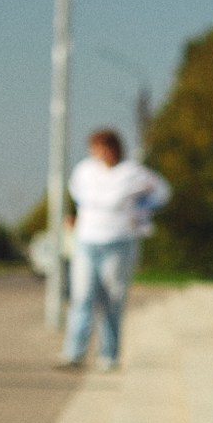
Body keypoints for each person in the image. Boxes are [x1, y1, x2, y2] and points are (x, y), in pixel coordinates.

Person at [57, 128, 168, 372]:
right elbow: (77, 197)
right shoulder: (84, 171)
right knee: (82, 297)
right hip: (87, 240)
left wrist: (140, 212)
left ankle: (109, 354)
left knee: (112, 299)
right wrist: (75, 218)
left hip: (119, 240)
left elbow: (162, 193)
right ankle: (74, 353)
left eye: (104, 147)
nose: (100, 153)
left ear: (114, 148)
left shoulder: (133, 173)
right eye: (95, 148)